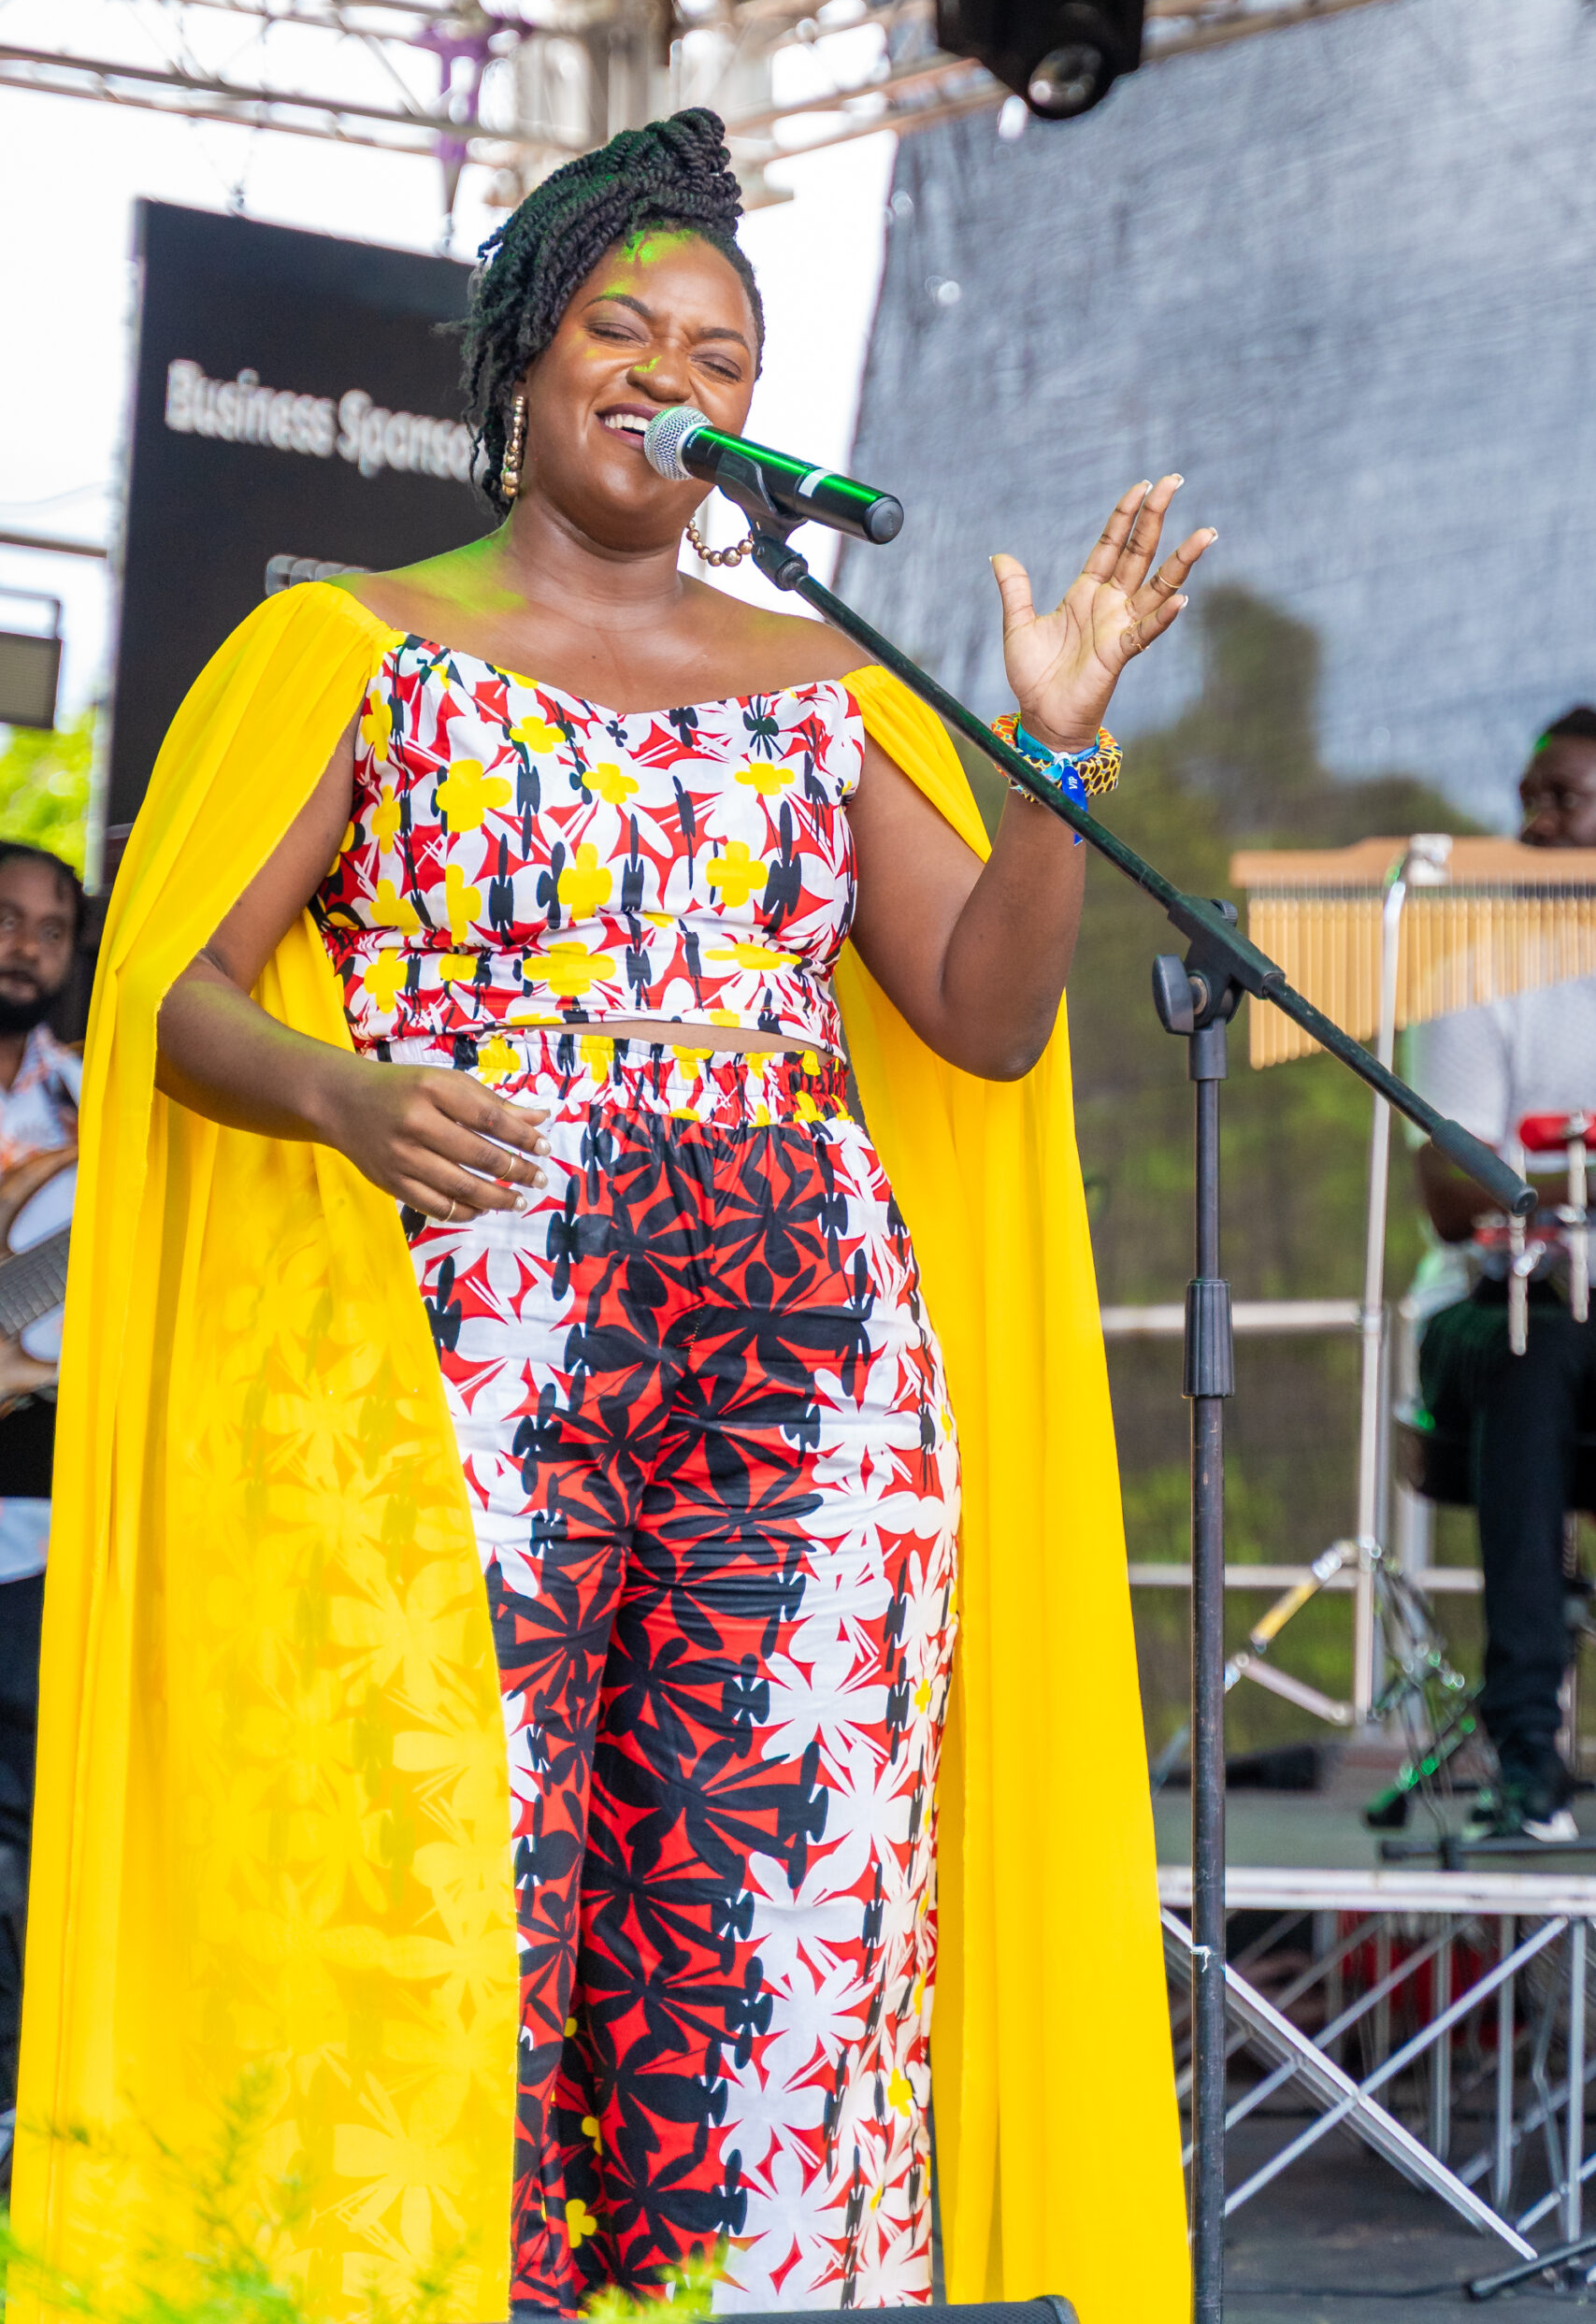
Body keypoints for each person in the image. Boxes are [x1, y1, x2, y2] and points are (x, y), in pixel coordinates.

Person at [17, 112, 1206, 2323]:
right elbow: (166, 985)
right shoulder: (353, 645)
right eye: (623, 329)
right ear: (522, 361)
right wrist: (344, 1090)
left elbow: (983, 1015)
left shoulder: (826, 681)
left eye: (720, 356)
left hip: (811, 1368)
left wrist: (1050, 765)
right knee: (462, 1887)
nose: (673, 375)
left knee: (765, 1915)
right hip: (464, 1339)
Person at [1410, 706, 1596, 1842]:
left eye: (1565, 800)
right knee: (1538, 1356)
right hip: (1493, 1317)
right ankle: (1527, 1748)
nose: (1537, 823)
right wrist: (1577, 1184)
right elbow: (1448, 1187)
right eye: (1530, 799)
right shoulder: (1482, 974)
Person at [0, 844, 81, 2130]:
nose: (25, 944)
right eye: (5, 917)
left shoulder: (94, 1103)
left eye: (51, 928)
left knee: (36, 1825)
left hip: (33, 1530)